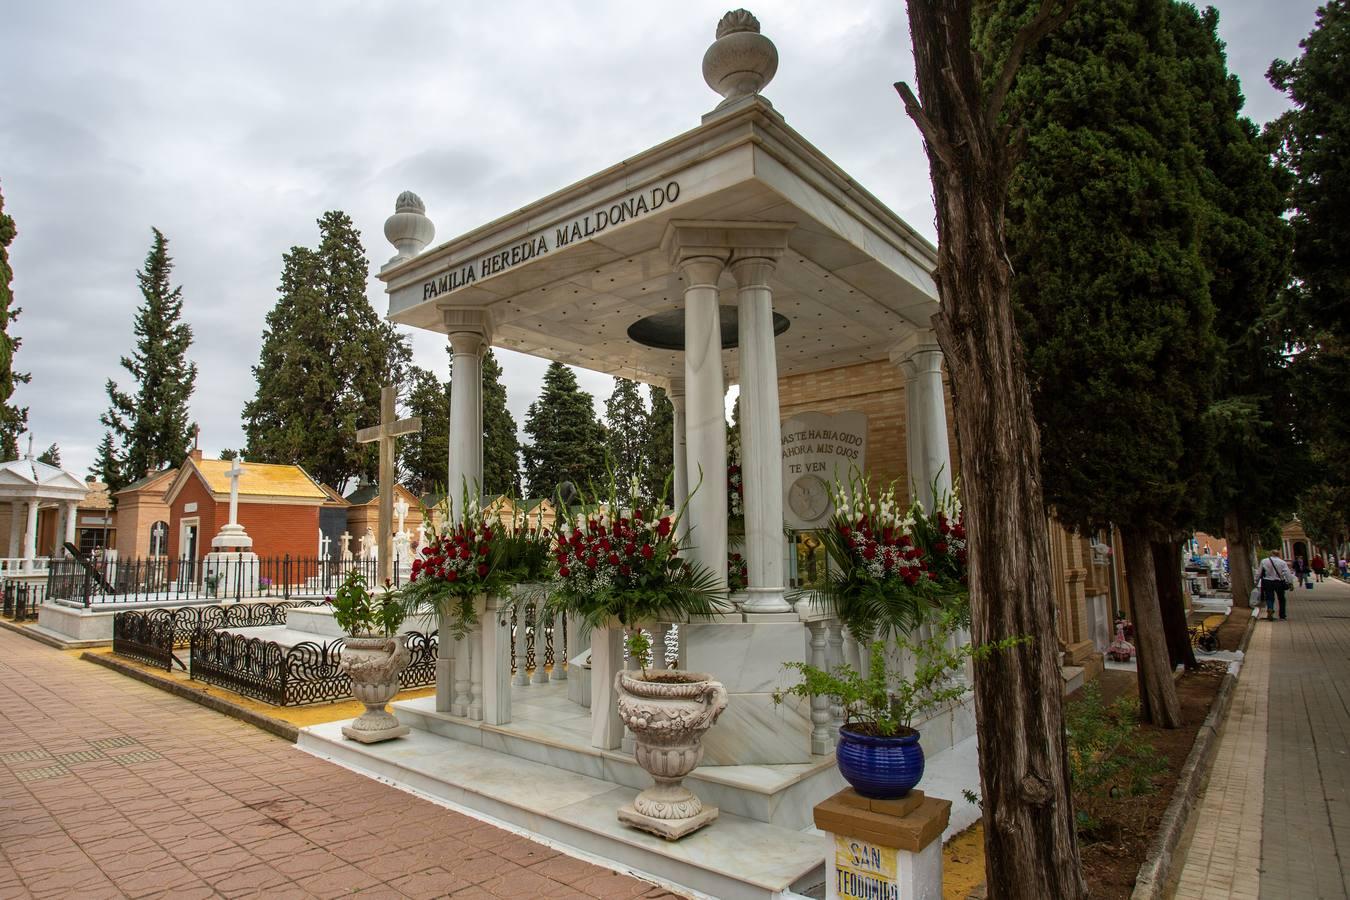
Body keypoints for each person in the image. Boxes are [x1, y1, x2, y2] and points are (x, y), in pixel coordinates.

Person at [1257, 550, 1295, 621]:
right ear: (1278, 554)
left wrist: (1256, 581)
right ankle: (1282, 615)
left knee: (1269, 597)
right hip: (1279, 582)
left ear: (1271, 554)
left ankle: (1270, 608)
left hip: (1267, 581)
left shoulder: (1264, 561)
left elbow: (1259, 572)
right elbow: (1287, 573)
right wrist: (1290, 583)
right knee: (1281, 598)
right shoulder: (1282, 562)